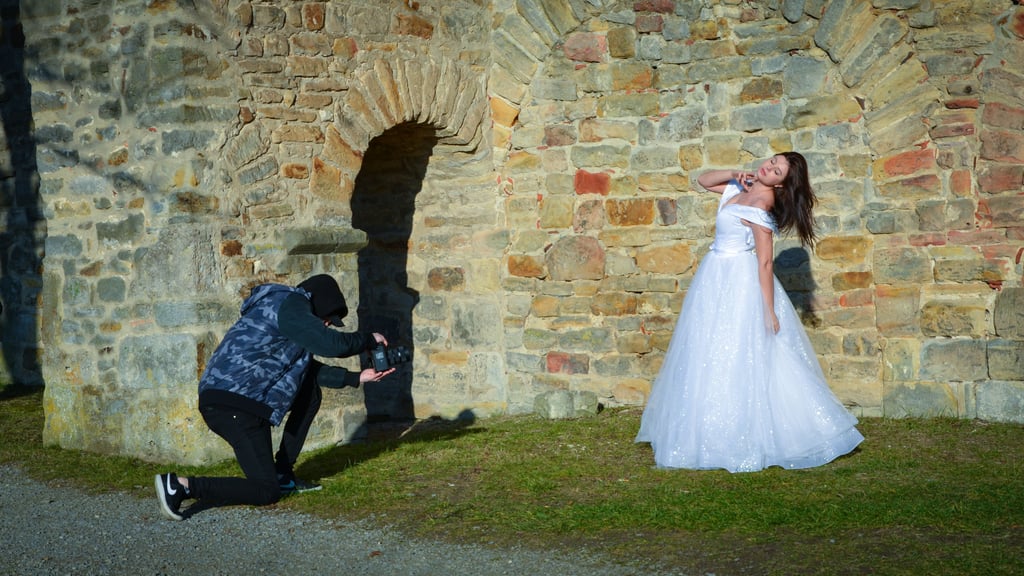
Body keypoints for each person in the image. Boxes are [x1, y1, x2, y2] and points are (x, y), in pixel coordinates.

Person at [635, 152, 864, 472]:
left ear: (782, 182)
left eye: (777, 170)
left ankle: (753, 431)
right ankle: (703, 428)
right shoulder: (742, 186)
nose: (768, 167)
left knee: (739, 351)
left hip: (739, 280)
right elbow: (702, 181)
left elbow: (765, 262)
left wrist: (768, 310)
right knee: (708, 348)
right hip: (714, 274)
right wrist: (734, 172)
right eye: (772, 161)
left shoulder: (761, 206)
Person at [155, 274, 395, 520]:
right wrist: (368, 338)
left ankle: (283, 474)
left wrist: (356, 378)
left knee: (309, 393)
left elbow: (305, 371)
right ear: (318, 305)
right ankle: (181, 486)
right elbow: (332, 345)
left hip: (233, 402)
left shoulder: (289, 316)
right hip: (234, 405)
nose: (327, 325)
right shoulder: (289, 303)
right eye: (327, 319)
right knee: (265, 491)